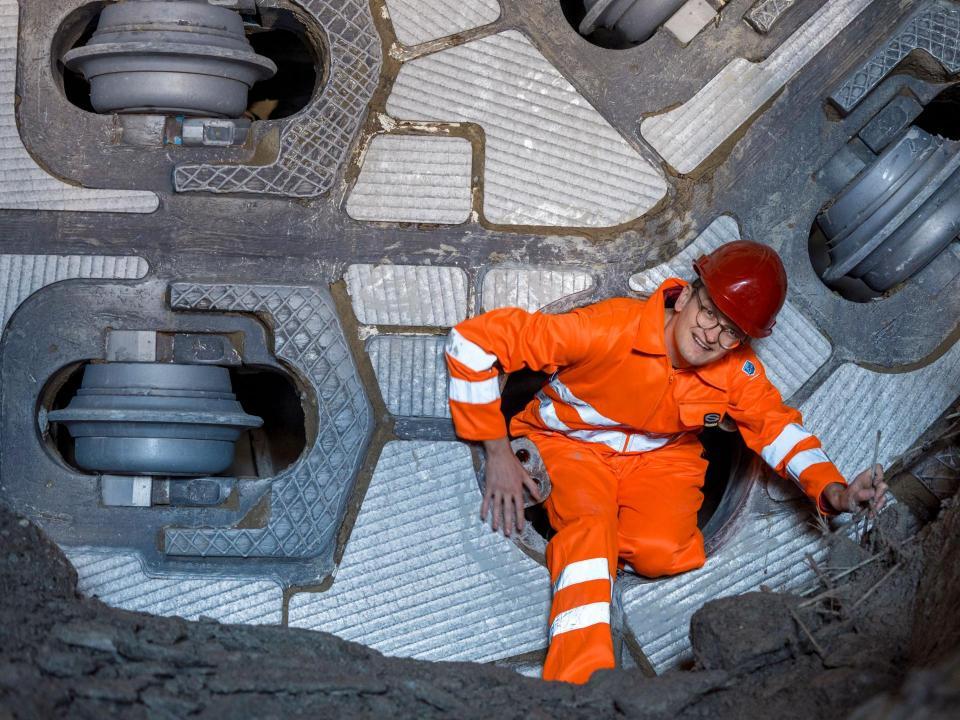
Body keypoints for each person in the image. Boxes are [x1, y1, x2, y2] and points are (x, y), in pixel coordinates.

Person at [444, 241, 888, 684]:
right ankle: (578, 686)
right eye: (710, 312)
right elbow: (470, 343)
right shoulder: (606, 327)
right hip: (569, 443)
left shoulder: (737, 372)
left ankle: (602, 544)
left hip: (661, 457)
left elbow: (778, 429)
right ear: (688, 293)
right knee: (589, 533)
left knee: (664, 554)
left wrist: (834, 491)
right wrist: (497, 449)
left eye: (731, 331)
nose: (712, 335)